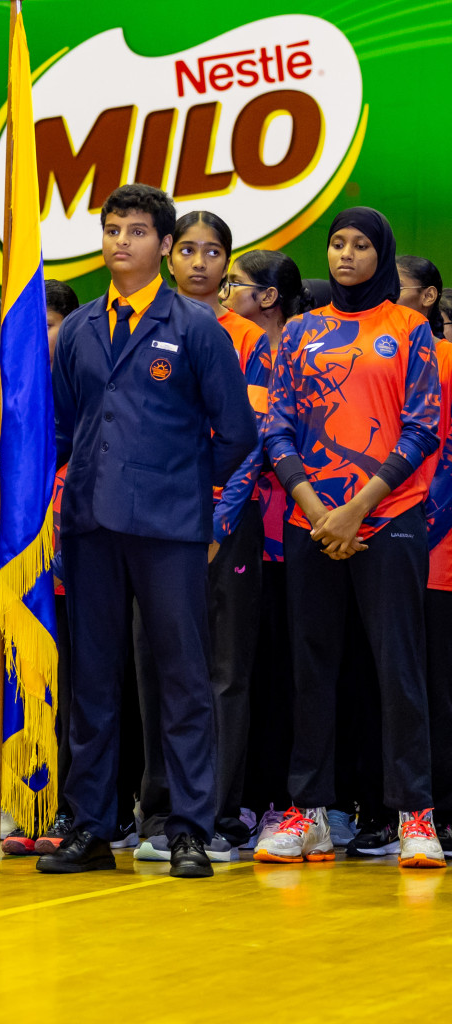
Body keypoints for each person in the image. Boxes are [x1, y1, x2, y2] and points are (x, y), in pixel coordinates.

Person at [37, 183, 256, 879]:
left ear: (163, 246)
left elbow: (237, 432)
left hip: (169, 530)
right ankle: (92, 827)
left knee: (183, 678)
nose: (121, 241)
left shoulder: (195, 327)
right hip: (91, 527)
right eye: (111, 229)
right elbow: (67, 429)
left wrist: (184, 486)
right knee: (92, 683)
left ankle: (189, 827)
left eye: (136, 231)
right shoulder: (77, 330)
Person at [259, 208, 445, 870]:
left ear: (381, 253)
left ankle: (415, 817)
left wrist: (358, 508)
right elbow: (277, 424)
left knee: (399, 669)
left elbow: (423, 426)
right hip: (312, 520)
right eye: (337, 243)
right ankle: (306, 813)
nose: (345, 255)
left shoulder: (409, 328)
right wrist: (315, 508)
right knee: (310, 667)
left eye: (361, 245)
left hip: (391, 518)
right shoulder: (302, 331)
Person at [131, 211, 267, 862]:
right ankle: (158, 812)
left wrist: (212, 519)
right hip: (155, 526)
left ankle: (213, 815)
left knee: (221, 672)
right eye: (187, 249)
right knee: (158, 665)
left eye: (214, 253)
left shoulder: (250, 340)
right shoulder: (142, 325)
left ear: (228, 266)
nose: (199, 263)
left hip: (224, 527)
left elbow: (248, 441)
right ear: (167, 254)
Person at [220, 249, 307, 846]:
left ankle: (282, 798)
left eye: (235, 284)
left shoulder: (288, 356)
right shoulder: (237, 350)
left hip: (291, 535)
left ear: (268, 297)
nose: (226, 293)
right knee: (244, 668)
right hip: (252, 535)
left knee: (283, 673)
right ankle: (247, 798)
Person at [414, 257, 452, 849]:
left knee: (436, 684)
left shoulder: (442, 362)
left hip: (432, 544)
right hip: (388, 539)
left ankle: (437, 811)